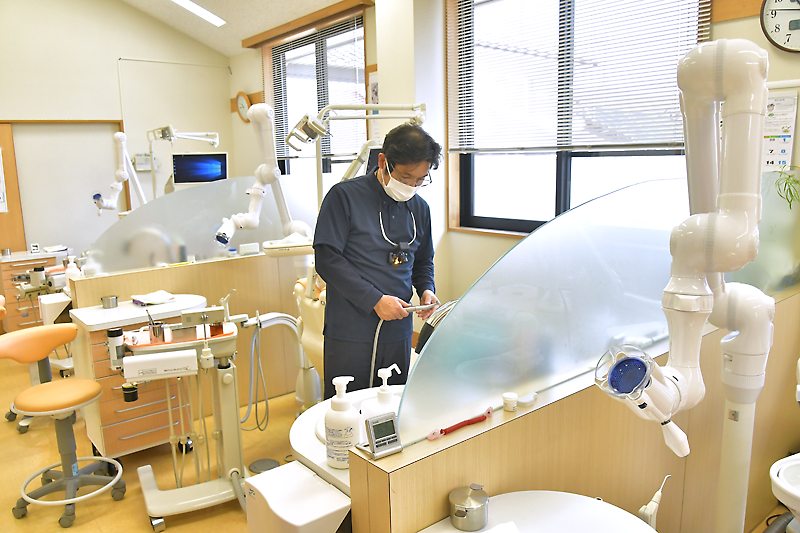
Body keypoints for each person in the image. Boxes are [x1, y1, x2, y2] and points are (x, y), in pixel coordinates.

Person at [313, 123, 442, 399]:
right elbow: (327, 259)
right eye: (405, 177)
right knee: (347, 407)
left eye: (420, 180)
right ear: (383, 161)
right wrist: (374, 300)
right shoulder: (344, 197)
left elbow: (423, 260)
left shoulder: (420, 209)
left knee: (390, 405)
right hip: (351, 330)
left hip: (398, 329)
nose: (411, 186)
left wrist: (426, 289)